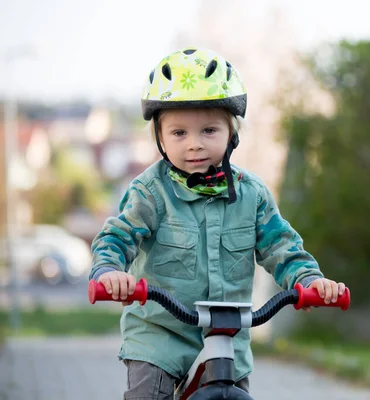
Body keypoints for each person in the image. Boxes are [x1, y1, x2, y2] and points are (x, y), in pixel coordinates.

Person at [89, 47, 346, 399]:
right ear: (160, 138)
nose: (194, 144)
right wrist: (109, 271)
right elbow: (117, 237)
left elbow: (282, 246)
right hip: (161, 337)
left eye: (209, 130)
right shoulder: (150, 192)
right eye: (179, 133)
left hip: (228, 340)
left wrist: (310, 280)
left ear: (232, 132)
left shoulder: (252, 195)